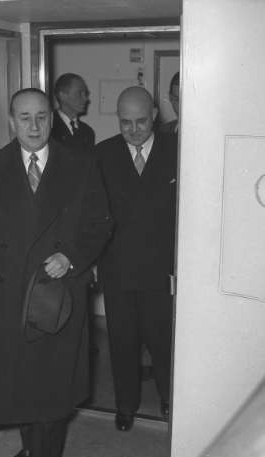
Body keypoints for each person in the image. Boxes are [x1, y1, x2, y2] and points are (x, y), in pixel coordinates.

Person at [0, 88, 112, 457]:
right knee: (19, 380)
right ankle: (30, 447)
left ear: (52, 118)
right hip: (10, 294)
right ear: (11, 121)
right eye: (24, 117)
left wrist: (71, 257)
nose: (34, 126)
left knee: (51, 382)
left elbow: (101, 223)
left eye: (42, 116)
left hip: (56, 293)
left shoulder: (80, 163)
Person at [96, 86, 177, 432]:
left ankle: (170, 399)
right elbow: (93, 214)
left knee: (163, 341)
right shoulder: (102, 154)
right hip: (119, 269)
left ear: (154, 115)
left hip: (163, 271)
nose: (133, 130)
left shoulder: (178, 150)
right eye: (125, 122)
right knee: (122, 342)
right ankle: (125, 405)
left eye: (140, 121)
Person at [51, 73, 95, 150]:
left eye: (85, 94)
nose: (85, 99)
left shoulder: (87, 131)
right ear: (62, 96)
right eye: (80, 93)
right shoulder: (50, 126)